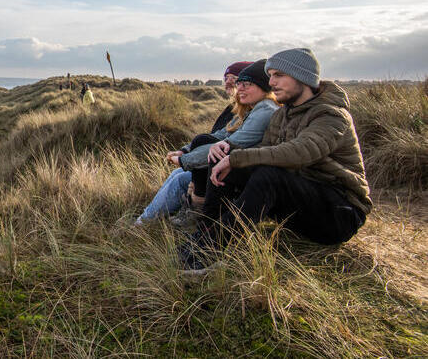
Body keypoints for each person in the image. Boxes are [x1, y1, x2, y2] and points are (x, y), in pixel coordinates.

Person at [181, 48, 372, 271]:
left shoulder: (331, 115)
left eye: (278, 75)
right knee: (223, 157)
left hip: (339, 213)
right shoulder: (283, 114)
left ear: (303, 77)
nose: (271, 82)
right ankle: (205, 234)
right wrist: (228, 148)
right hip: (299, 205)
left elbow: (300, 152)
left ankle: (207, 252)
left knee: (267, 175)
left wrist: (237, 157)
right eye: (270, 75)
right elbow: (266, 149)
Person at [136, 60, 270, 224]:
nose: (237, 86)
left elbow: (231, 143)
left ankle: (146, 222)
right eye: (236, 82)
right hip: (234, 164)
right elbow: (219, 135)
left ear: (263, 85)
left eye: (244, 83)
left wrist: (185, 160)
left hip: (240, 170)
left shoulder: (263, 110)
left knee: (181, 178)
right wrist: (185, 151)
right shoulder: (246, 108)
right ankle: (153, 216)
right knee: (179, 172)